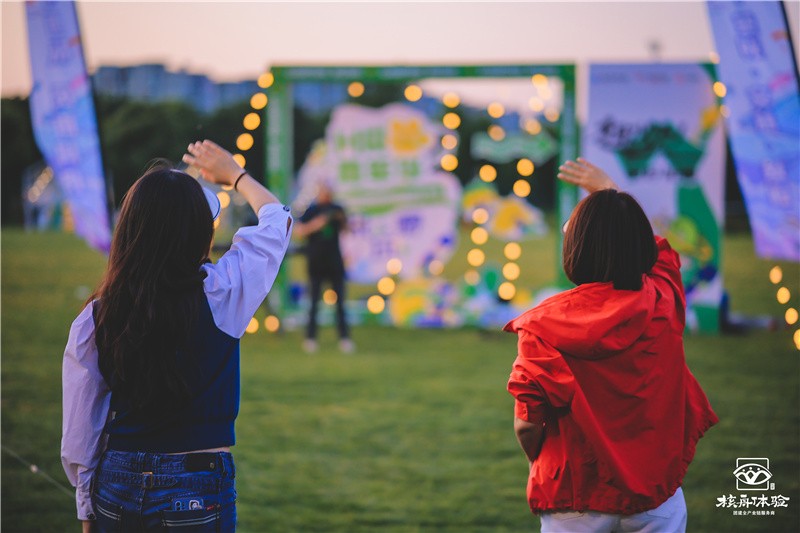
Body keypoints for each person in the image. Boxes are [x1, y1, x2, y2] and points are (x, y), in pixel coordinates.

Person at [61, 140, 292, 532]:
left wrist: (86, 509)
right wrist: (236, 175)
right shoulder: (223, 292)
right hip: (197, 482)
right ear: (199, 233)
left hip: (116, 481)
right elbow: (278, 221)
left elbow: (81, 425)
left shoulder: (97, 314)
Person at [505, 158, 718, 533]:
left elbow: (527, 424)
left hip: (575, 494)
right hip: (656, 493)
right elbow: (660, 252)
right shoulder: (663, 298)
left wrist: (539, 461)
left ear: (575, 248)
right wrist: (609, 192)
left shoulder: (541, 326)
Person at [294, 182, 353, 353]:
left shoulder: (337, 208)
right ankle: (310, 338)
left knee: (340, 303)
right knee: (313, 302)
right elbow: (299, 231)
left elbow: (347, 229)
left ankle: (344, 338)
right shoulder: (311, 210)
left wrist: (340, 219)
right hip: (316, 261)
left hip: (334, 261)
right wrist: (318, 223)